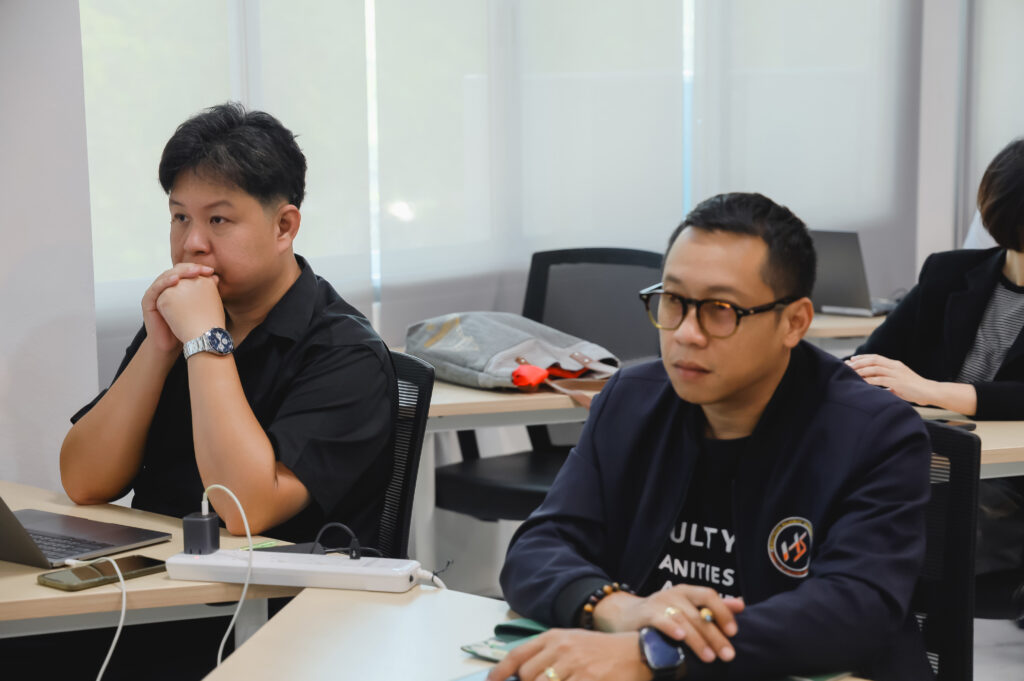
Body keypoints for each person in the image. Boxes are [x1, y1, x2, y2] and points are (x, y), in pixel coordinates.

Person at [492, 193, 933, 681]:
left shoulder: (875, 433)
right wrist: (618, 608)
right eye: (673, 301)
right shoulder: (631, 400)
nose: (686, 333)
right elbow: (538, 549)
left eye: (720, 309)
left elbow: (853, 611)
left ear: (794, 322)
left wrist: (657, 653)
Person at [59, 103, 396, 546]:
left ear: (283, 226)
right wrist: (159, 347)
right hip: (156, 572)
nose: (192, 243)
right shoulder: (184, 317)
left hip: (274, 586)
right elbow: (83, 481)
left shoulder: (346, 353)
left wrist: (205, 341)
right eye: (180, 217)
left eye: (218, 220)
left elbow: (246, 510)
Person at [849, 137, 1024, 606]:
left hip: (1008, 483)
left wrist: (931, 390)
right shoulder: (949, 273)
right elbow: (870, 360)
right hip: (926, 461)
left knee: (907, 528)